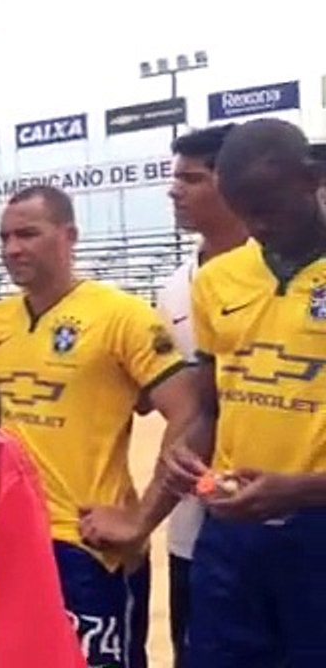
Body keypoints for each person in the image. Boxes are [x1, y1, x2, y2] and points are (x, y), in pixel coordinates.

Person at [86, 119, 326, 666]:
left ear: (312, 179)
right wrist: (180, 460)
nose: (257, 225)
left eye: (268, 207)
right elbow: (210, 407)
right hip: (231, 536)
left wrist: (303, 490)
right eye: (245, 210)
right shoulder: (219, 280)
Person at [0, 185, 198, 668]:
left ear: (69, 236)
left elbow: (189, 412)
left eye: (27, 234)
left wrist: (141, 518)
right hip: (13, 543)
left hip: (89, 544)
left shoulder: (121, 316)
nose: (12, 248)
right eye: (4, 237)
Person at [153, 124, 245, 667]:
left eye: (190, 178)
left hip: (287, 512)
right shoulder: (171, 288)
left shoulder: (299, 273)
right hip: (193, 519)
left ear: (232, 181)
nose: (174, 190)